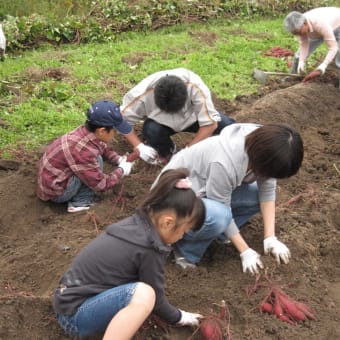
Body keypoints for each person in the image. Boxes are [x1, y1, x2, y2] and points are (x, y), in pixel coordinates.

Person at [53, 168, 205, 339]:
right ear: (167, 223)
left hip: (67, 302)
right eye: (184, 231)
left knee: (140, 293)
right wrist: (181, 317)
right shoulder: (149, 248)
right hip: (76, 317)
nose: (181, 236)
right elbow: (157, 301)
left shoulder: (135, 225)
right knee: (145, 294)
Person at [152, 123, 304, 275]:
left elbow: (267, 190)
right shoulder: (225, 163)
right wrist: (245, 251)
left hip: (208, 192)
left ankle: (220, 234)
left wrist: (270, 237)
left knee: (254, 196)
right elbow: (222, 207)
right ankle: (186, 252)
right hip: (175, 200)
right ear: (260, 161)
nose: (269, 177)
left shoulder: (266, 145)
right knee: (219, 216)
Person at [120, 68, 235, 163]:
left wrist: (187, 151)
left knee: (229, 127)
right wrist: (139, 146)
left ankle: (233, 150)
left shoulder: (195, 86)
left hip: (193, 119)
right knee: (151, 130)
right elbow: (122, 120)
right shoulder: (140, 95)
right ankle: (167, 152)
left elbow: (210, 124)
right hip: (162, 124)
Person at [37, 100, 134, 213]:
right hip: (56, 192)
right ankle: (80, 203)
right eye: (115, 131)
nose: (116, 133)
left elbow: (103, 148)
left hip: (52, 180)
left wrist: (118, 159)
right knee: (95, 163)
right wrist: (121, 170)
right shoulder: (83, 151)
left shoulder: (86, 133)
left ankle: (79, 197)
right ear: (102, 131)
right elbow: (101, 185)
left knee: (97, 159)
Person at [284, 7, 340, 83]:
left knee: (339, 60)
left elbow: (333, 47)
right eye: (295, 33)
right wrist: (301, 61)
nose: (298, 35)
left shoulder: (320, 23)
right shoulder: (299, 25)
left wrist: (323, 65)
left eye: (299, 32)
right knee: (298, 56)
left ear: (305, 23)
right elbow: (304, 44)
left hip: (337, 25)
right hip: (317, 31)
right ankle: (292, 77)